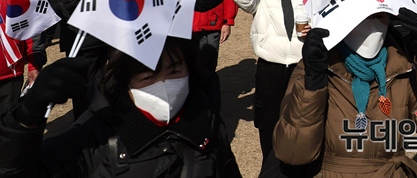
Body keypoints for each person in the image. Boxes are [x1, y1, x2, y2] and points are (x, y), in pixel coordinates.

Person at [0, 38, 241, 176]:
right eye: (148, 78)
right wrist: (26, 116)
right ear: (126, 84)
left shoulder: (204, 119)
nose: (165, 85)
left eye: (175, 71)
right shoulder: (96, 136)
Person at [273, 6, 417, 176]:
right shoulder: (317, 66)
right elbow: (294, 152)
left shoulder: (402, 67)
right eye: (361, 15)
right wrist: (313, 85)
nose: (371, 23)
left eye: (379, 15)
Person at [232, 0, 310, 177]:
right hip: (270, 67)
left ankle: (299, 166)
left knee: (300, 119)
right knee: (269, 121)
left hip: (299, 66)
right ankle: (270, 167)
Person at [50, 0, 117, 120]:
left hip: (98, 36)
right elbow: (74, 5)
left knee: (98, 81)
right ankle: (84, 121)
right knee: (85, 84)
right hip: (82, 38)